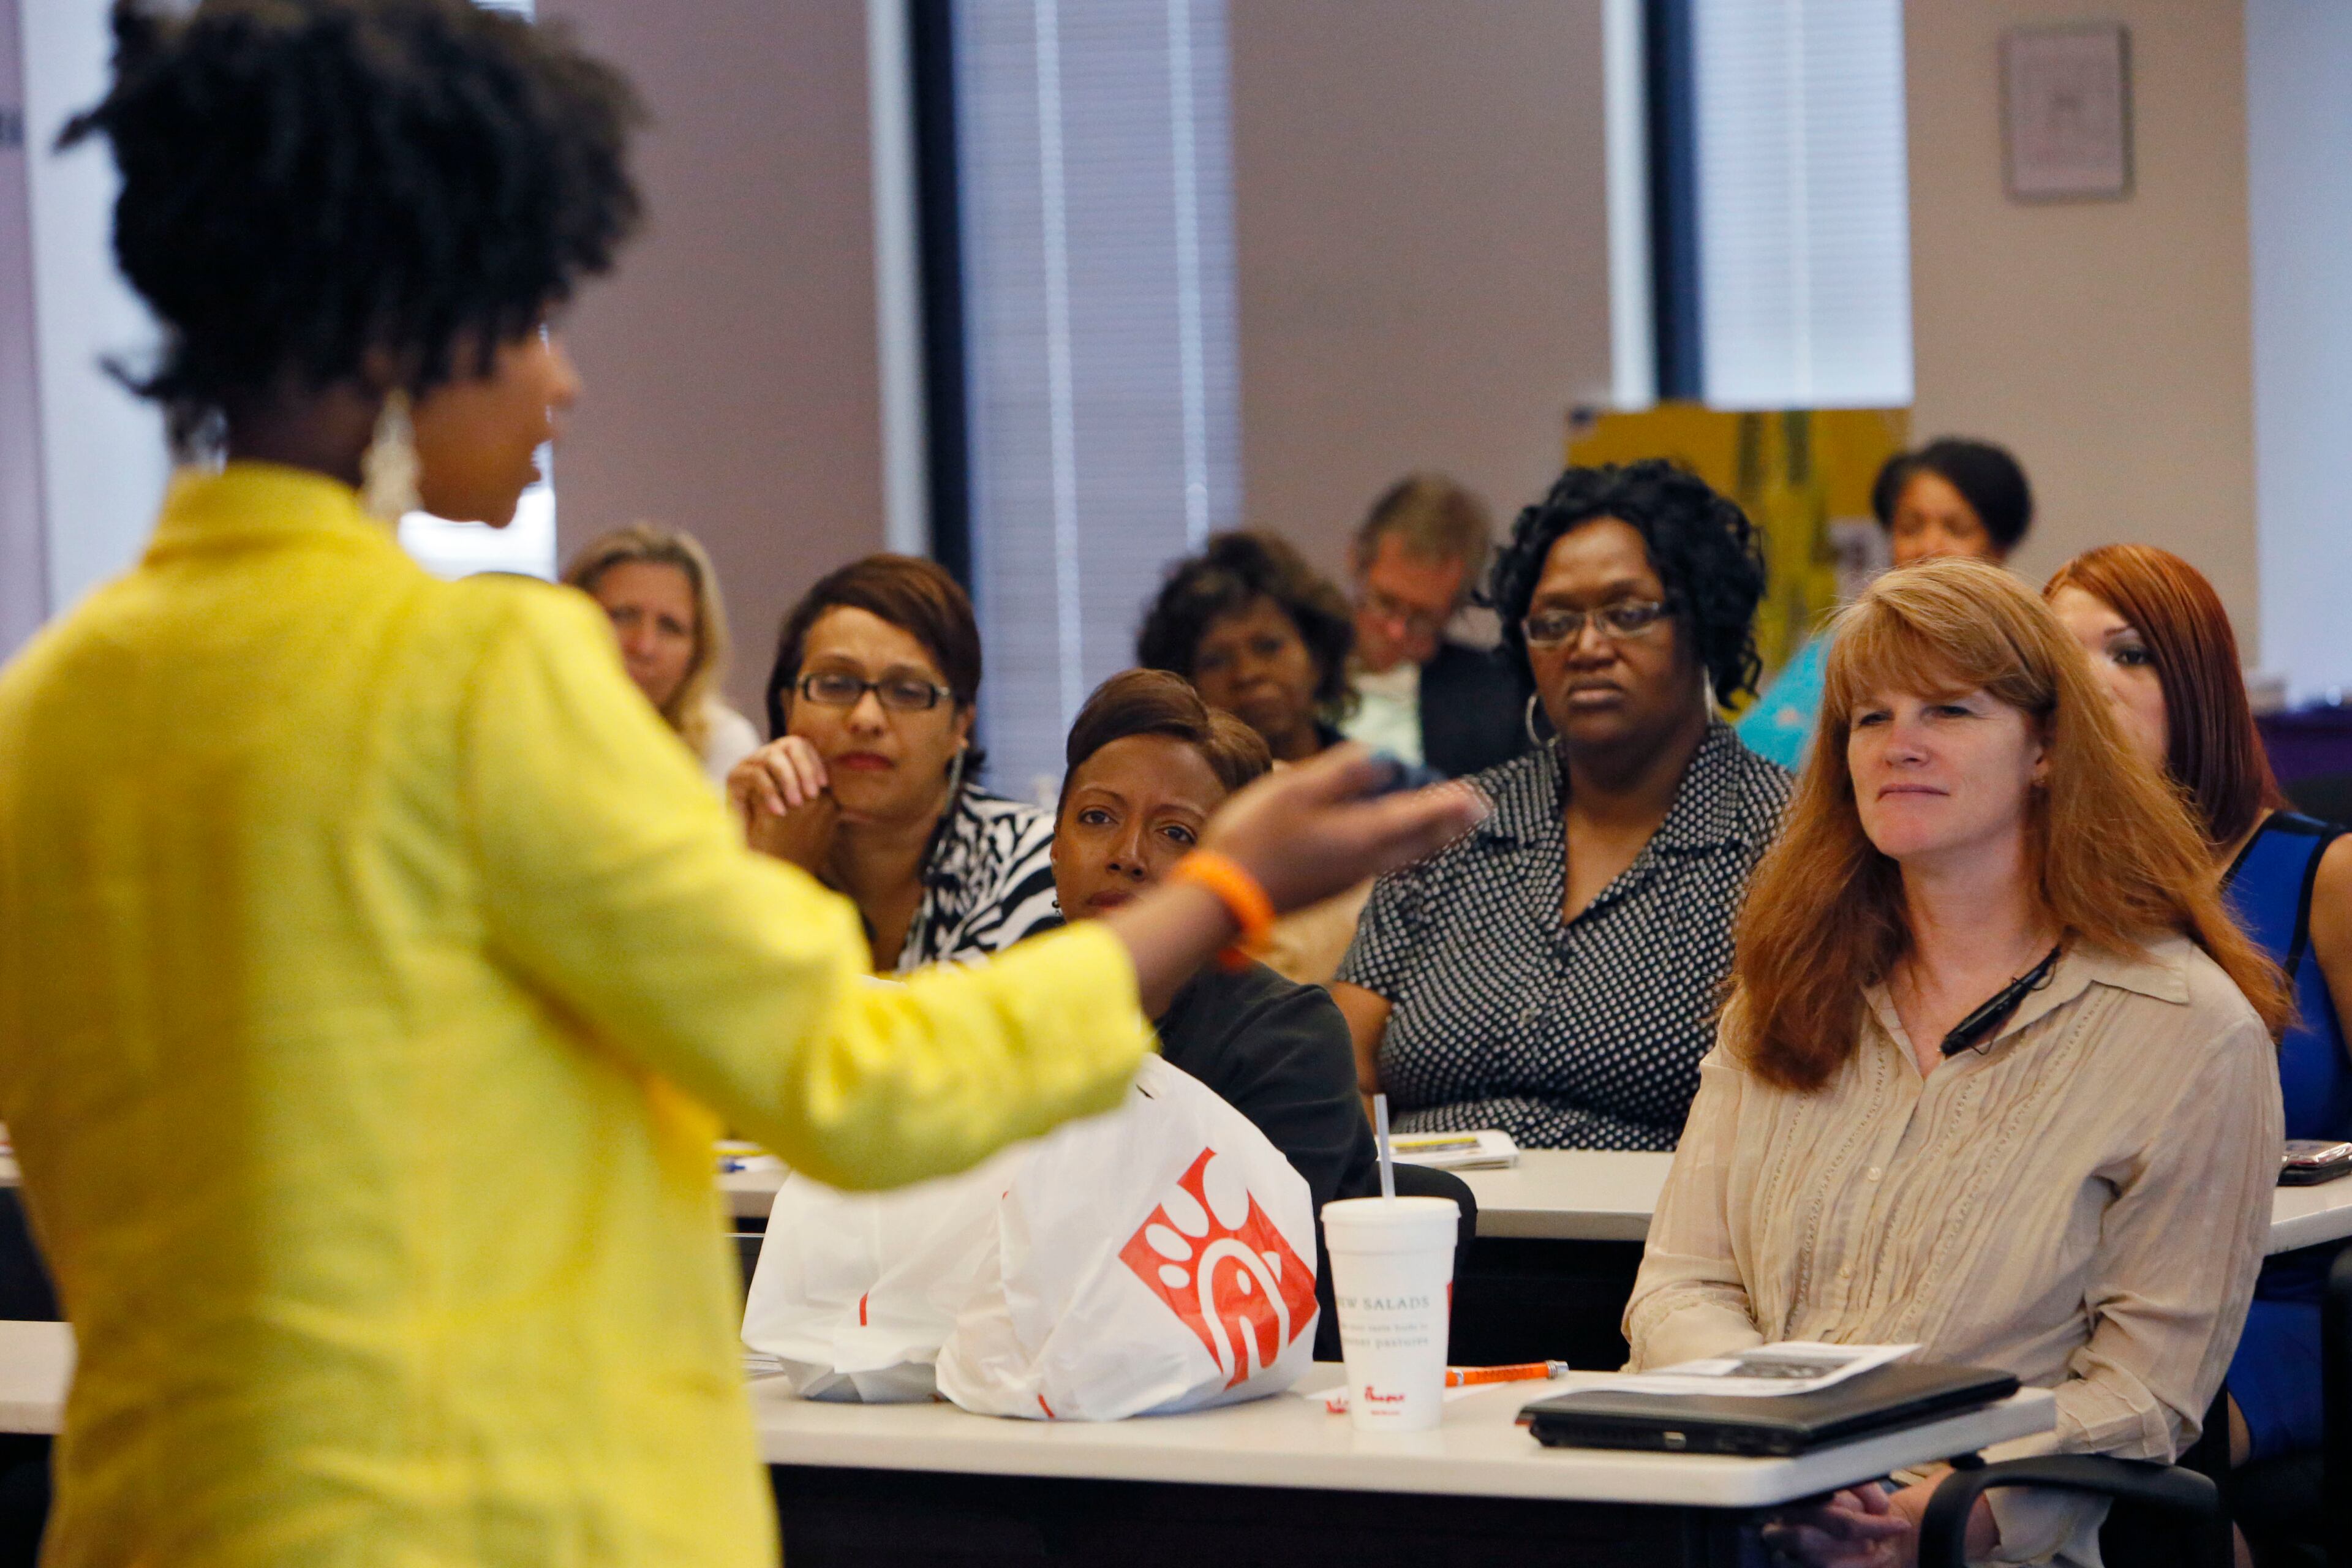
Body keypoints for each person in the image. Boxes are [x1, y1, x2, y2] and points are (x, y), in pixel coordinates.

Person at [0, 5, 1487, 1564]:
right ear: (397, 320)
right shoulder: (476, 673)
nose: (563, 379)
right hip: (486, 1515)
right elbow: (858, 1079)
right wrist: (1220, 890)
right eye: (530, 313)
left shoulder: (49, 708)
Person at [1630, 558, 2287, 1568]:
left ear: (2046, 751)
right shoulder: (1788, 992)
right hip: (1752, 1509)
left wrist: (1952, 1508)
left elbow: (2144, 1394)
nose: (1901, 747)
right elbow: (1678, 1291)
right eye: (1870, 719)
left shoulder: (2190, 1031)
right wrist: (1792, 1453)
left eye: (1948, 711)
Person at [1332, 460, 1791, 1147]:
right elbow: (1344, 1067)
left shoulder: (1785, 839)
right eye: (1553, 621)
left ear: (1703, 619)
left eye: (1627, 613)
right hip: (1436, 1234)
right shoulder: (1450, 826)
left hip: (1653, 1241)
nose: (1587, 646)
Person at [2046, 545, 2352, 1494]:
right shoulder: (2013, 895)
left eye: (2131, 654)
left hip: (2288, 1301)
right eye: (2061, 663)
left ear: (2201, 687)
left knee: (2099, 1457)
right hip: (2073, 1304)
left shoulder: (2327, 876)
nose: (2093, 683)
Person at [1046, 669, 1385, 1354]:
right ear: (1052, 844)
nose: (1128, 857)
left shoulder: (1290, 1040)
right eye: (1097, 817)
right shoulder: (1006, 1010)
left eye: (1175, 833)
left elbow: (1226, 1290)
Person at [728, 554, 1056, 974]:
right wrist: (766, 877)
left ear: (961, 725)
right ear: (788, 705)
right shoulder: (726, 849)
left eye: (907, 692)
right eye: (836, 684)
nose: (866, 718)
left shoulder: (1035, 862)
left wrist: (773, 903)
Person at [1137, 530, 1421, 982]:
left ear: (1319, 657)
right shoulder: (1176, 813)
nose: (1248, 674)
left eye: (1268, 647)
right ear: (1185, 683)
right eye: (1216, 660)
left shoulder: (1384, 793)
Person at [1739, 437, 2035, 770]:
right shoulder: (1847, 648)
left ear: (2000, 548)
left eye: (1956, 528)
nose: (1929, 546)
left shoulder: (2027, 654)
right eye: (1910, 527)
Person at [1341, 474, 1529, 778]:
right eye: (1386, 602)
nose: (1396, 631)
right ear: (1355, 561)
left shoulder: (1500, 701)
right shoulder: (1297, 669)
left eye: (1423, 617)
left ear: (1454, 611)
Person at [564, 522, 761, 789]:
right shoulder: (517, 730)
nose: (644, 646)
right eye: (622, 616)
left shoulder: (722, 743)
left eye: (670, 627)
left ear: (699, 649)